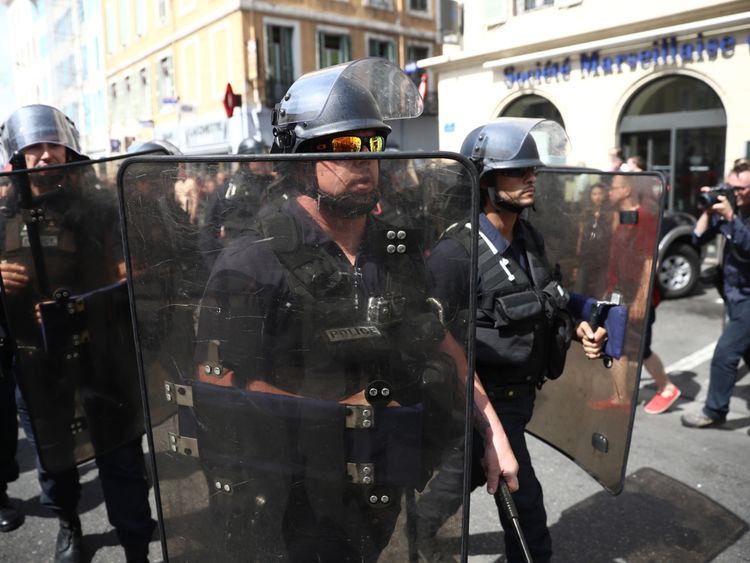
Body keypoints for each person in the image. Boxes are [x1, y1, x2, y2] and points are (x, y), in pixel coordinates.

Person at [183, 58, 519, 561]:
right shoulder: (253, 261)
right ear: (299, 158)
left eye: (373, 144)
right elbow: (216, 377)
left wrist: (492, 431)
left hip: (384, 472)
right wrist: (338, 415)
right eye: (345, 145)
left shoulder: (395, 248)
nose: (365, 159)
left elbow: (439, 339)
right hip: (292, 487)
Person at [419, 118, 608, 563]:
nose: (530, 179)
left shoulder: (527, 238)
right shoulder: (455, 255)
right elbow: (431, 338)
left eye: (533, 171)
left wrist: (579, 326)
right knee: (524, 516)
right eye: (516, 171)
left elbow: (545, 297)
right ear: (484, 182)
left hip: (520, 400)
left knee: (449, 498)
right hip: (481, 408)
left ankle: (408, 539)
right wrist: (485, 424)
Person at [0, 105, 154, 563]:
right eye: (33, 148)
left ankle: (135, 547)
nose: (44, 156)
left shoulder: (101, 207)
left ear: (68, 149)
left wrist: (128, 269)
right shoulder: (3, 212)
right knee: (54, 456)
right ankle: (68, 521)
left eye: (52, 145)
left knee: (122, 458)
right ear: (19, 156)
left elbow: (135, 263)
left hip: (102, 354)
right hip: (38, 360)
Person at [682, 160, 750, 427]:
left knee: (725, 354)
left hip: (748, 297)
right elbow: (698, 238)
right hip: (733, 294)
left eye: (740, 188)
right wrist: (709, 209)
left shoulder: (737, 214)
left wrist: (731, 217)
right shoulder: (730, 209)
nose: (735, 192)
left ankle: (714, 411)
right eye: (731, 187)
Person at [574, 181, 612, 297]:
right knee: (579, 287)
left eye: (600, 193)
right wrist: (577, 261)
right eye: (594, 194)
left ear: (605, 195)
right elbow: (580, 237)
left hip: (603, 257)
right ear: (590, 196)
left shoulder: (610, 214)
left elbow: (613, 237)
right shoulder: (585, 214)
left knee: (600, 290)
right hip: (586, 256)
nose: (597, 197)